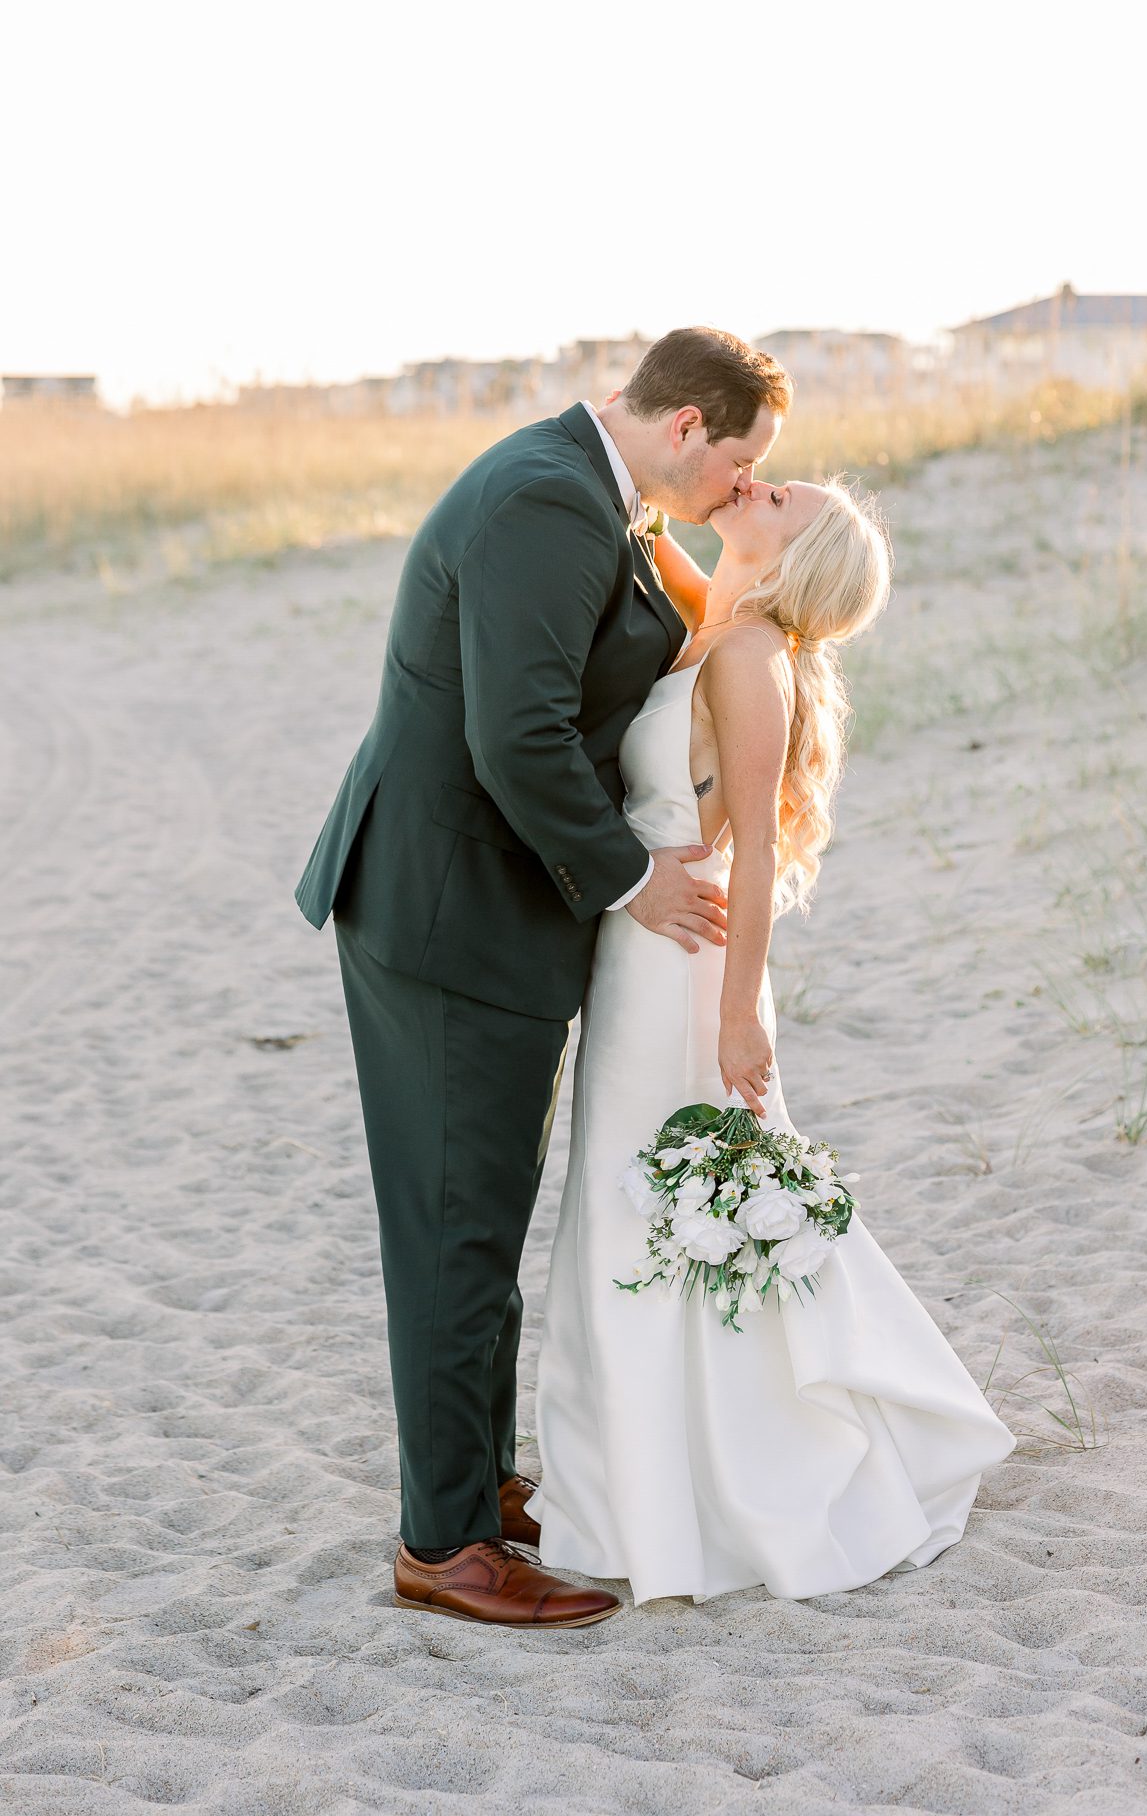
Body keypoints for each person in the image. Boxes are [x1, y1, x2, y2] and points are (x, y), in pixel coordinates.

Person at [294, 327, 792, 1627]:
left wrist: (746, 555)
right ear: (687, 427)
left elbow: (682, 642)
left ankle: (478, 1481)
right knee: (456, 1230)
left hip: (488, 911)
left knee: (482, 1214)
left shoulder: (605, 503)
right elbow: (511, 731)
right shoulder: (546, 503)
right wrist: (635, 878)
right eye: (738, 462)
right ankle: (444, 1544)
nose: (740, 487)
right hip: (445, 913)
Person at [529, 472, 1019, 1603]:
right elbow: (648, 527)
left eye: (782, 499)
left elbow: (748, 851)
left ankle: (730, 1482)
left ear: (796, 557)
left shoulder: (755, 661)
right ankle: (636, 1480)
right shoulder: (716, 617)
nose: (761, 484)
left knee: (660, 1193)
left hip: (688, 960)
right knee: (620, 1197)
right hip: (633, 943)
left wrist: (742, 1010)